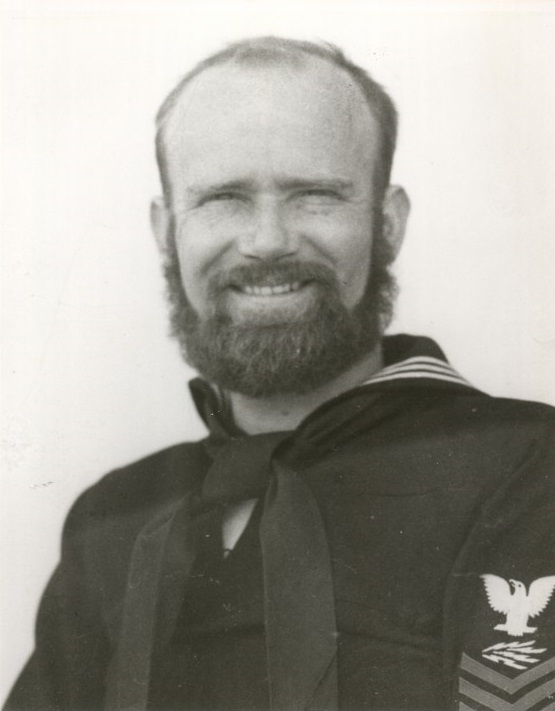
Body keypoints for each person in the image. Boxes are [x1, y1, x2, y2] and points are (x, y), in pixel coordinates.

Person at [5, 36, 555, 711]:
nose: (267, 239)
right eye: (223, 198)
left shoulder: (526, 469)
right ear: (166, 230)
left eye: (315, 195)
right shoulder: (113, 516)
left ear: (387, 224)